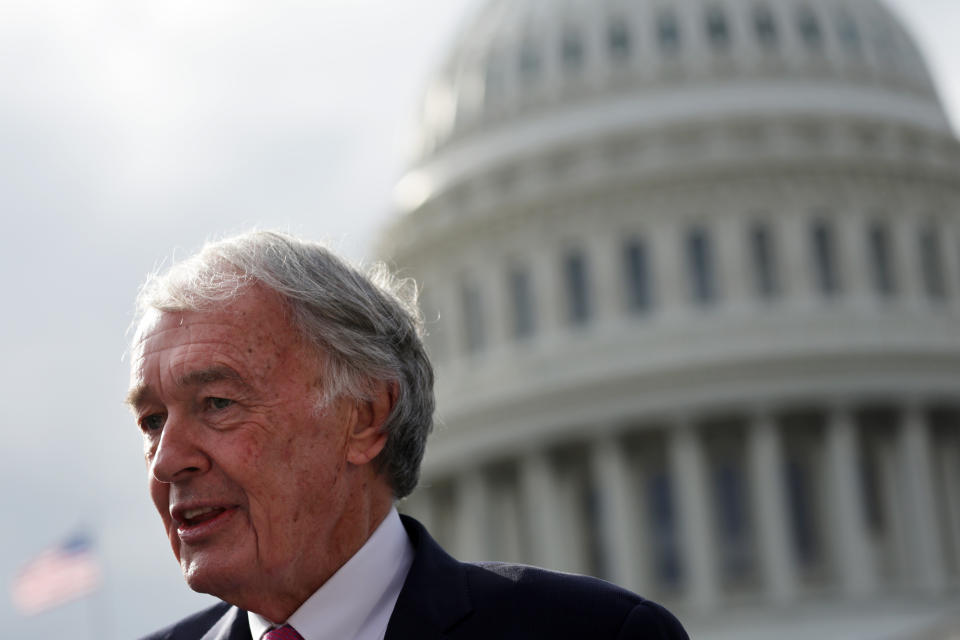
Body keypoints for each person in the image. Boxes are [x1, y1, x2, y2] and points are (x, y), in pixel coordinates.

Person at [128, 230, 688, 640]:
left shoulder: (598, 637)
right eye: (153, 421)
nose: (167, 461)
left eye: (217, 403)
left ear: (366, 416)